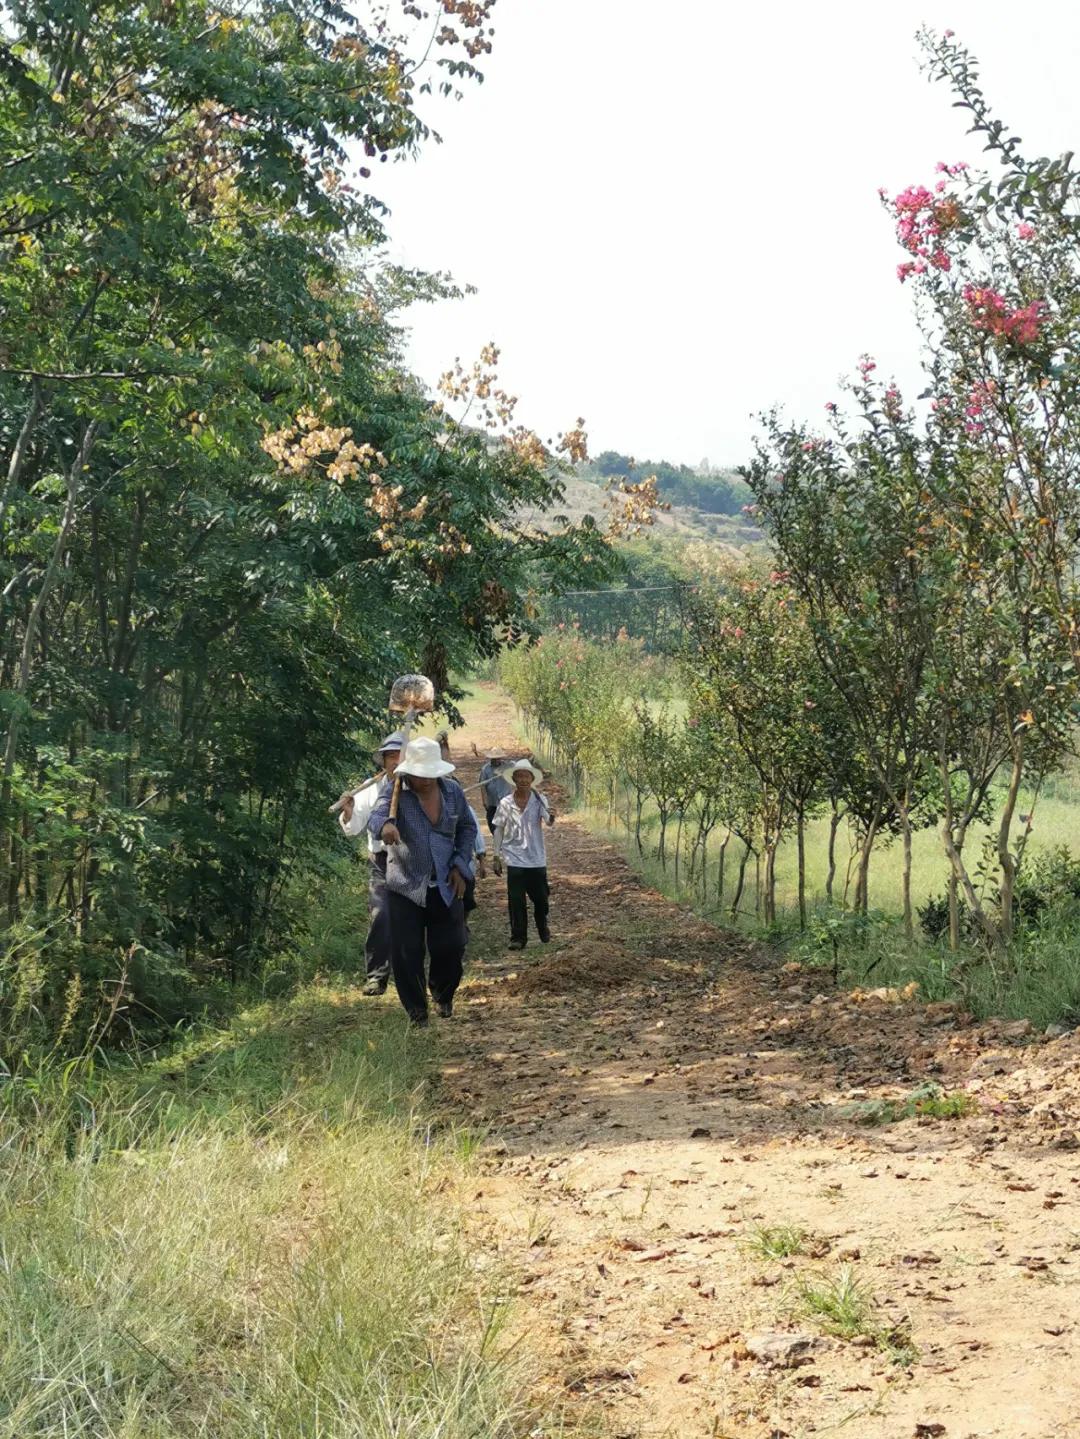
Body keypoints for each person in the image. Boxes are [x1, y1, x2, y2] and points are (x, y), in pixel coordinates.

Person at [369, 735, 478, 1025]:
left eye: (431, 774)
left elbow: (467, 828)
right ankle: (417, 1013)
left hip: (445, 882)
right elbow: (376, 816)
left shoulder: (452, 792)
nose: (426, 780)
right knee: (407, 953)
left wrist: (459, 864)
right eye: (420, 774)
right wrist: (386, 825)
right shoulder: (396, 793)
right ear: (409, 772)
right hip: (405, 884)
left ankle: (442, 994)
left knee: (451, 945)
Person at [336, 731, 404, 996]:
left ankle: (410, 972)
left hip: (410, 861)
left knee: (409, 917)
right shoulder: (370, 788)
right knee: (381, 914)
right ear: (383, 761)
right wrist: (349, 811)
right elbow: (354, 827)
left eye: (399, 755)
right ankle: (376, 975)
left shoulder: (417, 784)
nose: (394, 761)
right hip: (381, 861)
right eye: (389, 756)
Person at [492, 759, 555, 950]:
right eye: (519, 776)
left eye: (526, 776)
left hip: (536, 858)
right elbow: (499, 829)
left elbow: (549, 821)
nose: (523, 780)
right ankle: (518, 937)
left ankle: (542, 924)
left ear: (531, 779)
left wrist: (552, 816)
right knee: (516, 900)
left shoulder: (539, 800)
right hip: (514, 857)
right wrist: (495, 855)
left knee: (541, 899)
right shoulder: (506, 803)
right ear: (514, 779)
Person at [478, 746, 512, 831]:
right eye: (494, 758)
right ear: (491, 758)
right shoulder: (485, 769)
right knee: (492, 823)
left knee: (506, 824)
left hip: (505, 802)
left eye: (498, 758)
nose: (497, 760)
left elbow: (516, 768)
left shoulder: (507, 767)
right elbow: (482, 786)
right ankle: (497, 838)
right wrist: (485, 801)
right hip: (492, 802)